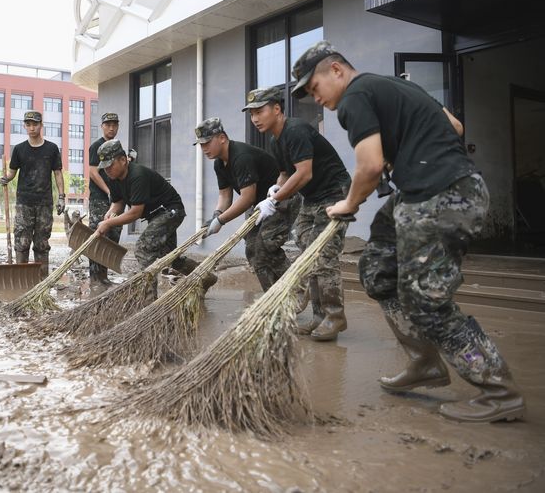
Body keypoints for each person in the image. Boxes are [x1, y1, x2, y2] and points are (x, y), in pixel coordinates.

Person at [293, 40, 525, 422]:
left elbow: (367, 167)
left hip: (442, 195)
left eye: (314, 88)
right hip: (432, 192)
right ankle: (424, 362)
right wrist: (406, 151)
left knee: (426, 300)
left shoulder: (354, 98)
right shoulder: (399, 87)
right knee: (378, 271)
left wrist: (349, 203)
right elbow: (454, 125)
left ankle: (499, 390)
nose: (314, 98)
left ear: (336, 70)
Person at [247, 86, 352, 341]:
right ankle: (319, 317)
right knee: (307, 254)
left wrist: (275, 198)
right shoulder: (275, 140)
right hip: (312, 197)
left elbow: (304, 173)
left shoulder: (295, 130)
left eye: (260, 111)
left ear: (276, 108)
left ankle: (335, 317)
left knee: (322, 255)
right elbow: (286, 172)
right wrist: (276, 187)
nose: (255, 118)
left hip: (334, 193)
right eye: (251, 114)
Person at [94, 139, 215, 296]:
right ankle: (206, 278)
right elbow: (118, 202)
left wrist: (108, 223)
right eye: (104, 167)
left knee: (143, 249)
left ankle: (149, 298)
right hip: (156, 216)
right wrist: (110, 212)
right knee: (171, 258)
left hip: (170, 211)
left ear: (123, 160)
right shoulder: (114, 179)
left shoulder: (137, 175)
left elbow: (135, 213)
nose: (107, 170)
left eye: (110, 165)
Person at [194, 116, 290, 292]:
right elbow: (225, 195)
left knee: (264, 245)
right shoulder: (219, 164)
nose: (204, 148)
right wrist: (216, 214)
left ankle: (294, 287)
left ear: (222, 138)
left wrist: (222, 220)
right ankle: (273, 295)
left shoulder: (241, 156)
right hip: (262, 207)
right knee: (252, 249)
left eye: (207, 142)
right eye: (201, 145)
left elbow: (247, 198)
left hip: (282, 199)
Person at [0, 110, 64, 276]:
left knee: (42, 242)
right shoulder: (19, 149)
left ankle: (42, 279)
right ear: (24, 126)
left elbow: (57, 173)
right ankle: (21, 277)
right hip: (24, 202)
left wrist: (62, 197)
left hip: (44, 202)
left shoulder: (51, 148)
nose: (32, 127)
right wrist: (5, 179)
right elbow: (12, 173)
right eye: (28, 124)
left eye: (35, 124)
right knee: (22, 240)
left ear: (41, 125)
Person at [87, 112, 122, 284]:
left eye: (114, 124)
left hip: (117, 201)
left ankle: (104, 276)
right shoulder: (96, 146)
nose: (111, 127)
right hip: (99, 200)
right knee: (97, 235)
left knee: (113, 236)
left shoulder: (118, 148)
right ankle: (95, 277)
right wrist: (109, 191)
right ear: (102, 126)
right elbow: (93, 172)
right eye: (108, 124)